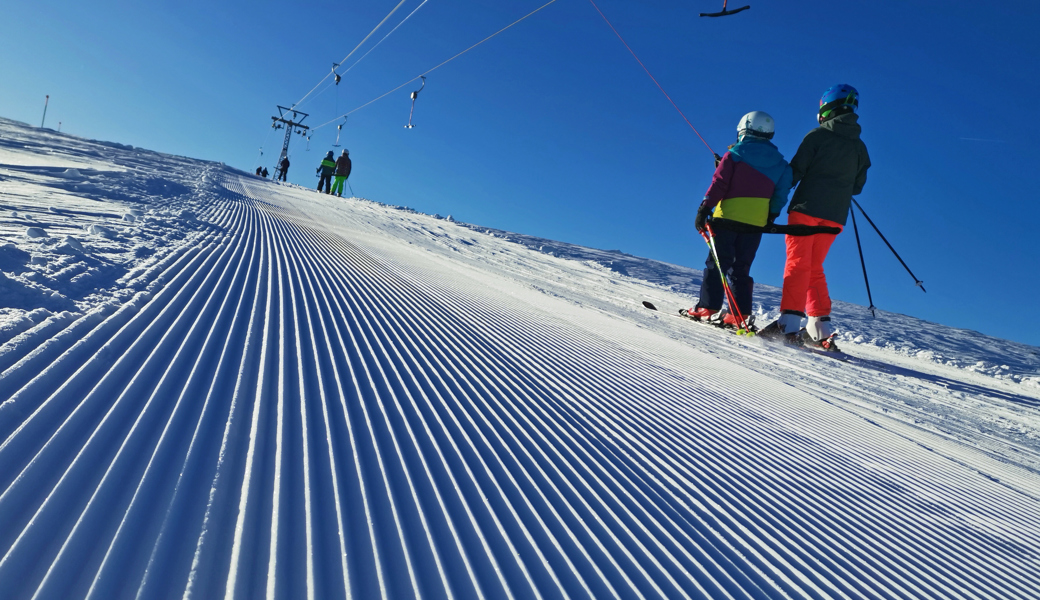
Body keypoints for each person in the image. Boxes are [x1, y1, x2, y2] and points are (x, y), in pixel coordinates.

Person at [765, 84, 871, 350]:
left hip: (806, 209)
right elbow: (857, 187)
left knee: (798, 263)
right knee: (814, 266)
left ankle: (788, 323)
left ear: (826, 108)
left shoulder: (817, 136)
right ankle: (820, 327)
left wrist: (766, 193)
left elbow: (795, 172)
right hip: (835, 218)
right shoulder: (860, 147)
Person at [687, 111, 792, 329]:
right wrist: (770, 216)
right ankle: (739, 315)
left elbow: (720, 184)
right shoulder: (782, 164)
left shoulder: (734, 154)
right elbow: (780, 195)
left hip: (727, 218)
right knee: (741, 268)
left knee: (717, 264)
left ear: (743, 129)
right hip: (755, 224)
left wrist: (704, 208)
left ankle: (708, 307)